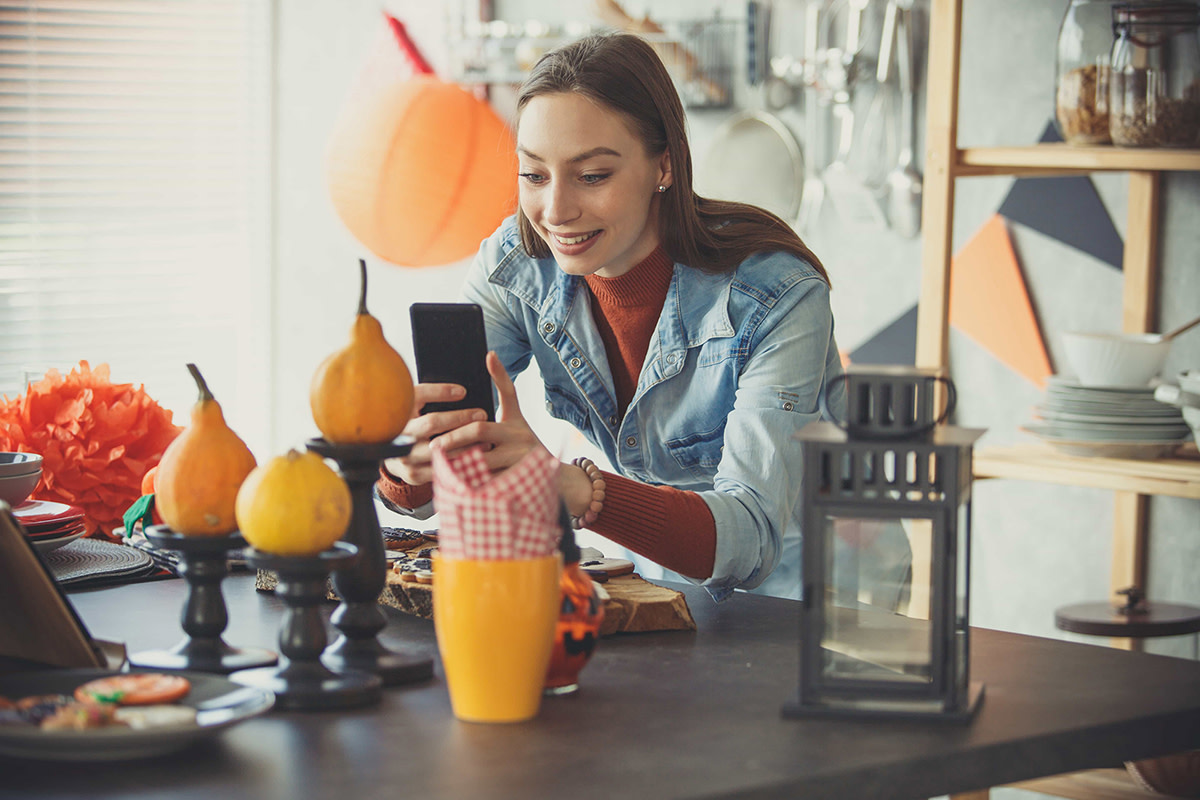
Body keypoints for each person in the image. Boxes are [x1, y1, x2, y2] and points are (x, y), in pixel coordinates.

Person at [377, 32, 910, 603]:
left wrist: (569, 487)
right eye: (534, 175)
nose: (555, 211)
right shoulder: (517, 266)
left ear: (664, 165)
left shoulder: (777, 296)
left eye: (592, 176)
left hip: (824, 594)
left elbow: (752, 535)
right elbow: (432, 463)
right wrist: (407, 467)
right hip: (657, 579)